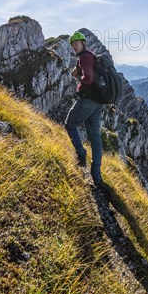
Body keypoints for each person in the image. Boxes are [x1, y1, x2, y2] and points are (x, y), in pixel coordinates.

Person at [64, 31, 104, 186]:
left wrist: (77, 75)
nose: (74, 46)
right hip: (97, 101)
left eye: (76, 43)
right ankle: (96, 174)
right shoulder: (91, 55)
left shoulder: (85, 57)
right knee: (95, 137)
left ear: (83, 43)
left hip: (87, 100)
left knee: (70, 124)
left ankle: (81, 153)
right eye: (72, 44)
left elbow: (88, 78)